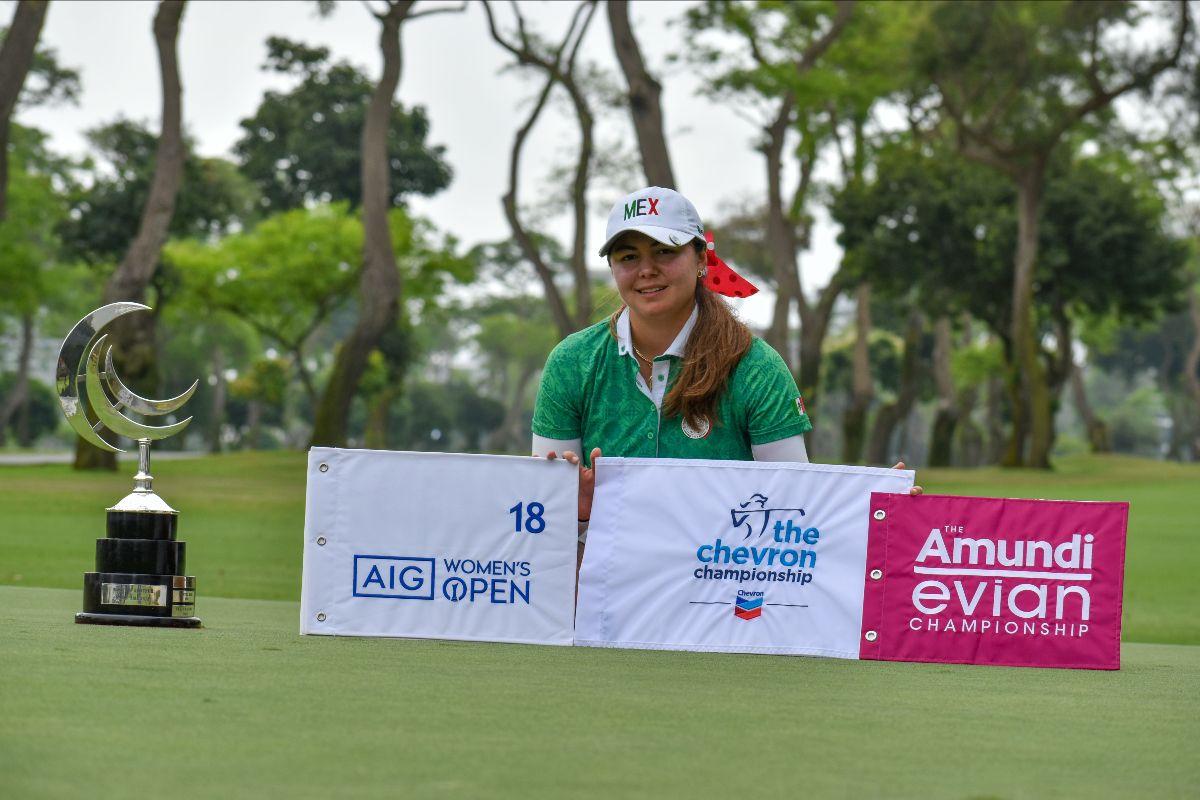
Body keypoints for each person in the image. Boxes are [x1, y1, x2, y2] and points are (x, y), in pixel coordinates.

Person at [531, 186, 919, 553]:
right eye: (628, 257)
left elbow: (793, 502)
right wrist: (577, 510)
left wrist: (876, 510)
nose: (646, 269)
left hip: (721, 591)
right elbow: (543, 515)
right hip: (603, 592)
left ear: (701, 259)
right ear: (613, 268)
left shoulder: (754, 366)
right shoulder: (572, 362)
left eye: (665, 251)